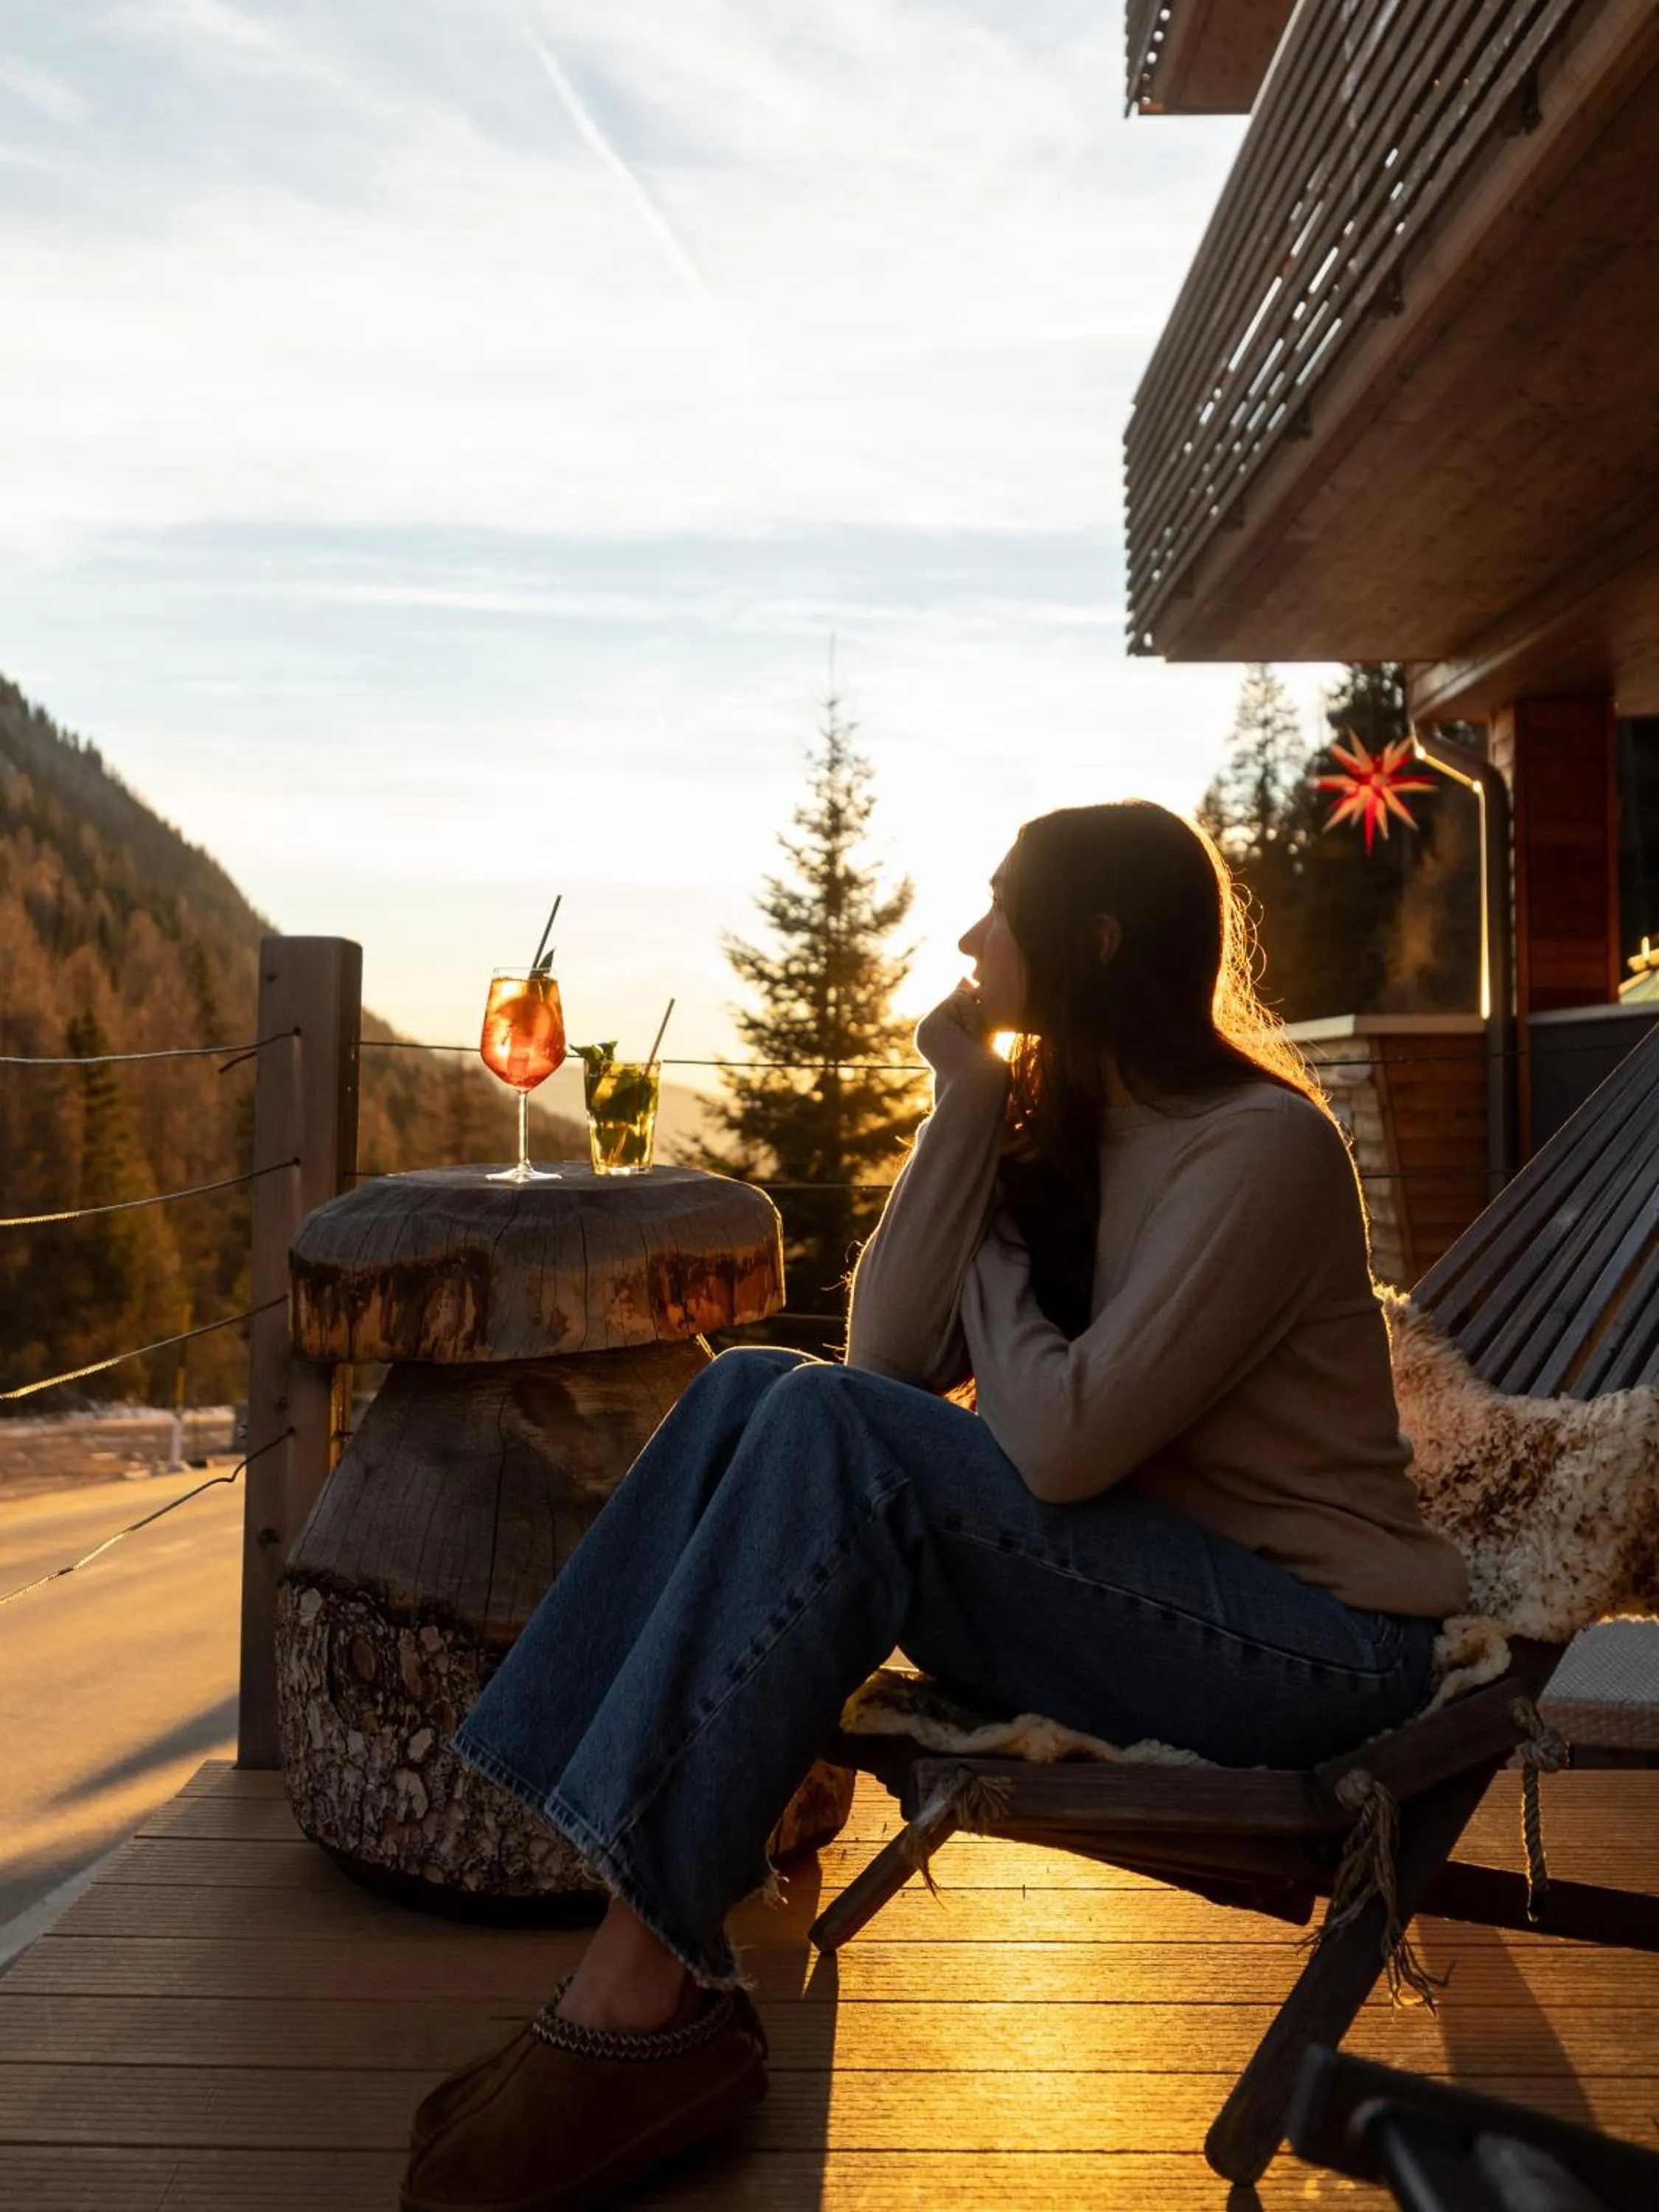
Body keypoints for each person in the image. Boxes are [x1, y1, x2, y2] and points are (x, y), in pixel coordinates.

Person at [397, 800, 1469, 2212]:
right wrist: (969, 1109)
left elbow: (1065, 1444)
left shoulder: (1257, 1148)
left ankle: (631, 1999)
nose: (965, 939)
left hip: (1317, 1649)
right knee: (752, 1390)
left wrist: (1004, 1250)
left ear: (1089, 939)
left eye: (997, 908)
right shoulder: (1071, 1127)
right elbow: (887, 1359)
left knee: (830, 1424)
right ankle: (629, 1956)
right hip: (1160, 1597)